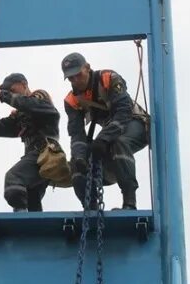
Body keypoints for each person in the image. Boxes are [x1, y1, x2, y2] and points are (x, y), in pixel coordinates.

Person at [61, 52, 150, 210]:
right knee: (76, 162)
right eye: (70, 78)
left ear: (87, 68)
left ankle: (129, 202)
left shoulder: (108, 78)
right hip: (110, 133)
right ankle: (91, 208)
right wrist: (80, 157)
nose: (75, 80)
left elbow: (123, 112)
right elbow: (77, 134)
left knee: (119, 142)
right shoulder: (72, 100)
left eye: (77, 75)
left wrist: (103, 139)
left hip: (135, 124)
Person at [0, 73, 60, 212]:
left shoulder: (39, 97)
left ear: (23, 84)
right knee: (31, 195)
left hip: (46, 153)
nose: (9, 92)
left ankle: (20, 218)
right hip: (36, 158)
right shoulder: (22, 114)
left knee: (14, 178)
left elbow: (30, 105)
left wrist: (0, 93)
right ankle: (34, 227)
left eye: (12, 89)